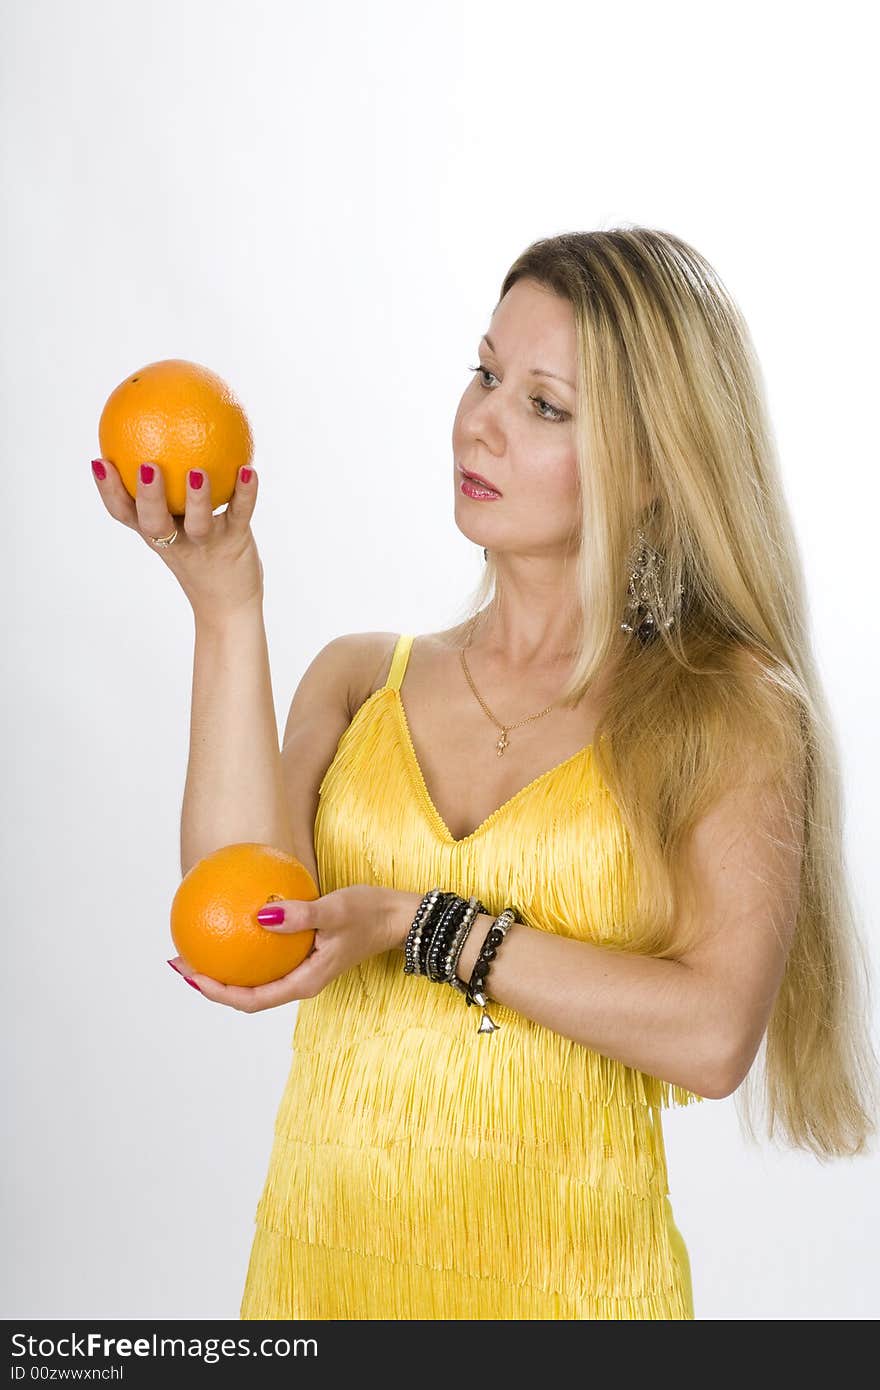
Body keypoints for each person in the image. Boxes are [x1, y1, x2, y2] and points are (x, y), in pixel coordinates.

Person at [93, 226, 878, 1320]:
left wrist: (426, 923)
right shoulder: (360, 680)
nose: (481, 420)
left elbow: (710, 1038)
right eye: (484, 372)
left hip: (573, 1297)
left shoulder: (723, 707)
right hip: (319, 1279)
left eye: (543, 406)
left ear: (656, 469)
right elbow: (240, 924)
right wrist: (226, 603)